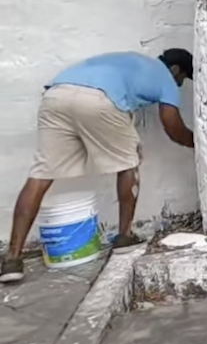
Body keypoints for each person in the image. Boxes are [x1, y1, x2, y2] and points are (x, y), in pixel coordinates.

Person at [0, 49, 195, 284]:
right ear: (175, 69)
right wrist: (198, 143)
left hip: (56, 95)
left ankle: (12, 259)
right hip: (98, 100)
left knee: (41, 174)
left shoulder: (133, 60)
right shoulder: (166, 78)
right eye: (182, 79)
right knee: (129, 164)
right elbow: (173, 127)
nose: (179, 84)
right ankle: (124, 236)